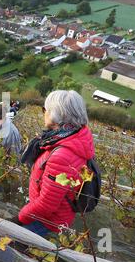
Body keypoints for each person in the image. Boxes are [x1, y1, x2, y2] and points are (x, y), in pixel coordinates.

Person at [16, 90, 95, 237]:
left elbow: (47, 205)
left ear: (56, 114)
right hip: (54, 214)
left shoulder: (63, 155)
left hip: (47, 219)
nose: (43, 113)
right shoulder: (75, 137)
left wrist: (19, 218)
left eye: (45, 110)